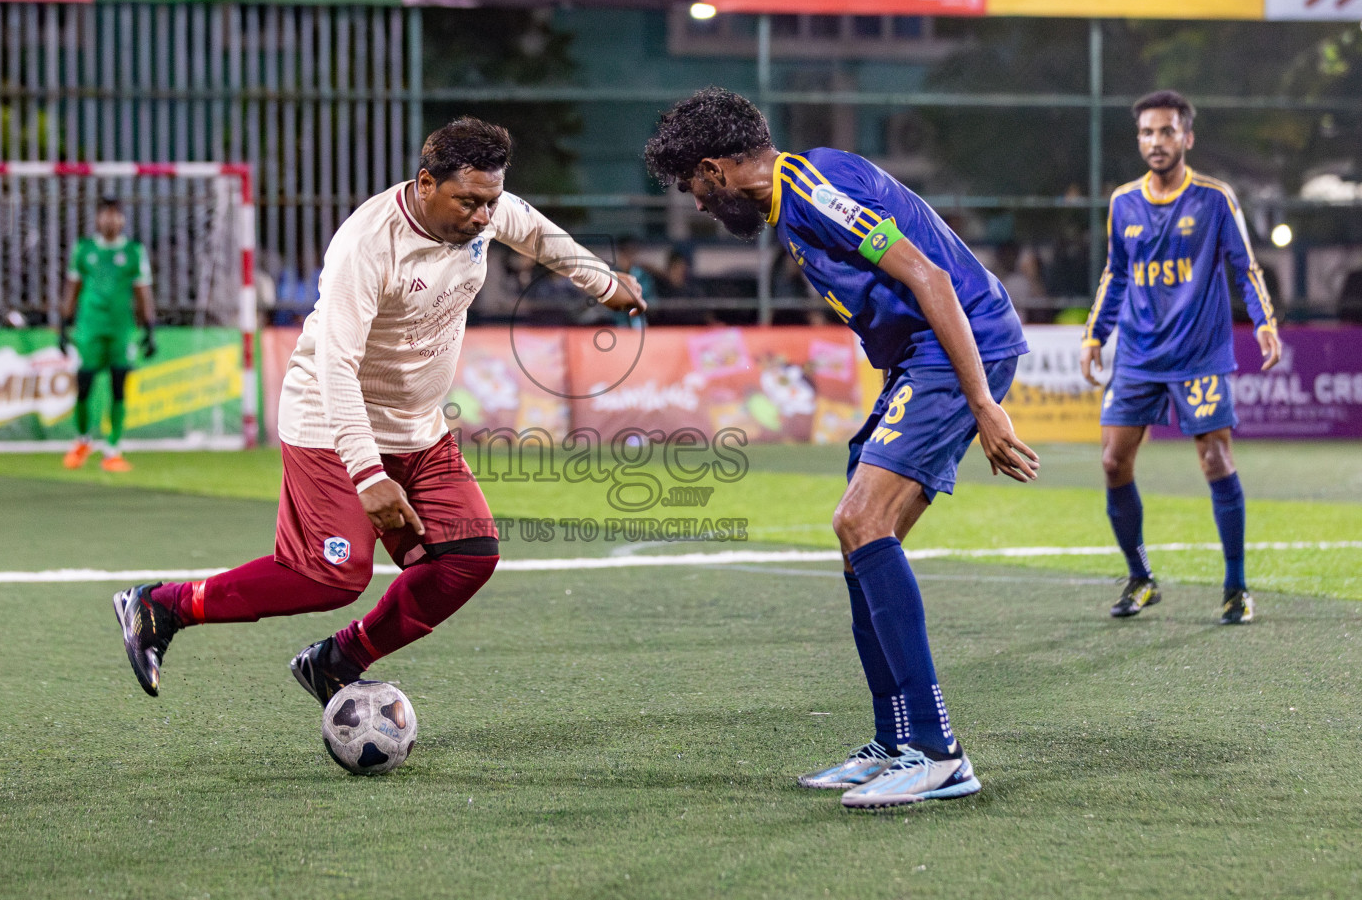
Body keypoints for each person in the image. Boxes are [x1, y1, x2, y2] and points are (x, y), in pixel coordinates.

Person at [112, 118, 645, 704]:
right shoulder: (366, 246)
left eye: (490, 201)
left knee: (467, 558)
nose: (483, 217)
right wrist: (368, 474)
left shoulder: (486, 210)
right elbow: (335, 366)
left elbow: (535, 232)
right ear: (424, 184)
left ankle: (337, 660)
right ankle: (163, 606)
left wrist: (599, 280)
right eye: (468, 201)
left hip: (419, 426)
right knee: (328, 575)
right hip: (330, 418)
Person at [643, 87, 1037, 810]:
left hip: (956, 350)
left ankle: (938, 752)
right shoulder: (793, 203)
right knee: (860, 542)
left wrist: (984, 404)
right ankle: (895, 743)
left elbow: (930, 276)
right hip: (921, 362)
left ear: (716, 168)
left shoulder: (811, 189)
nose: (698, 203)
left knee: (860, 523)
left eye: (693, 187)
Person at [1081, 90, 1280, 625]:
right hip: (1139, 356)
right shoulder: (1123, 202)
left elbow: (1246, 267)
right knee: (1112, 461)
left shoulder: (1215, 199)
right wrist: (1094, 334)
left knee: (1215, 461)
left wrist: (1264, 322)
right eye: (1147, 132)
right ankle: (1141, 577)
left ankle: (1236, 587)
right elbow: (1115, 274)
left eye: (1167, 131)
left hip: (1198, 355)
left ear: (1187, 138)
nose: (1156, 141)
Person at [59, 198, 156, 473]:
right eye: (105, 216)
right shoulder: (84, 249)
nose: (110, 221)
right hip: (89, 328)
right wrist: (64, 325)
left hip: (121, 330)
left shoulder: (134, 251)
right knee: (84, 386)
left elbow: (143, 292)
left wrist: (150, 328)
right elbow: (72, 288)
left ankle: (112, 449)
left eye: (115, 216)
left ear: (122, 221)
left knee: (118, 387)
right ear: (97, 220)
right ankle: (82, 441)